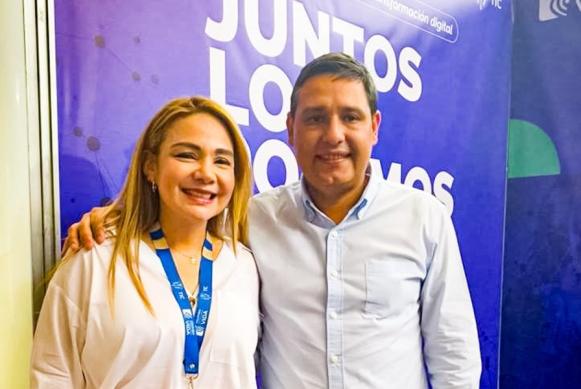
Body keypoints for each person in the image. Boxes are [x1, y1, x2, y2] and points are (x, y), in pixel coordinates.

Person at [64, 53, 482, 388]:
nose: (333, 135)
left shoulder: (423, 218)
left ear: (373, 128)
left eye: (350, 117)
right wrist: (112, 218)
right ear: (291, 130)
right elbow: (182, 222)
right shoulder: (252, 220)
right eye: (316, 117)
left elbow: (454, 354)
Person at [31, 96, 260, 388]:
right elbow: (52, 373)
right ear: (150, 167)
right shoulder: (95, 257)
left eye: (221, 161)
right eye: (186, 155)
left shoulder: (243, 265)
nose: (205, 173)